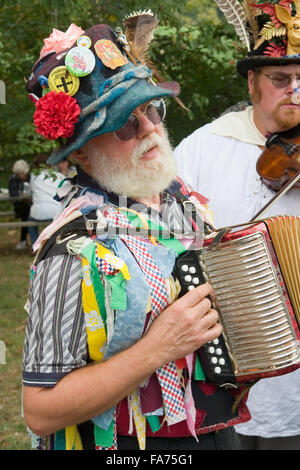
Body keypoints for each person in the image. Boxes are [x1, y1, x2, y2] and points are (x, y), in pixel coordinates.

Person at [22, 15, 251, 451]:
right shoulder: (70, 247)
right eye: (126, 123)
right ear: (85, 155)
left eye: (152, 109)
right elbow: (40, 410)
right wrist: (158, 348)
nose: (149, 128)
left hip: (220, 435)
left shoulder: (184, 204)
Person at [174, 0, 300, 451]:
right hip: (219, 373)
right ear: (252, 82)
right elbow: (168, 243)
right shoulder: (202, 148)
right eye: (281, 79)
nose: (295, 91)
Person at [27, 154, 64, 247]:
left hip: (39, 212)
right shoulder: (58, 175)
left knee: (30, 220)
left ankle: (35, 245)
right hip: (57, 212)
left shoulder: (34, 176)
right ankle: (56, 244)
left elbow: (30, 192)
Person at [8, 159, 31, 249]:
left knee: (28, 213)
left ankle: (24, 240)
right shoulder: (13, 179)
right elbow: (14, 194)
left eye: (22, 173)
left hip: (30, 204)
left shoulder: (30, 177)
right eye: (19, 174)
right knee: (26, 213)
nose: (20, 176)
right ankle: (24, 240)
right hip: (20, 205)